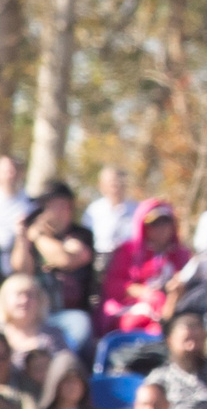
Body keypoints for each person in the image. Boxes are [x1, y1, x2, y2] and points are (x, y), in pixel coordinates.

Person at [10, 181, 96, 351]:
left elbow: (66, 260)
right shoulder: (31, 235)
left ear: (66, 206)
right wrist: (22, 237)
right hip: (34, 312)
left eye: (48, 204)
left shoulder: (81, 234)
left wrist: (38, 237)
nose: (42, 210)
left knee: (80, 324)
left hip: (70, 314)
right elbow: (20, 271)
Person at [99, 199, 187, 336]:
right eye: (154, 224)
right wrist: (144, 293)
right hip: (132, 309)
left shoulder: (181, 255)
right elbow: (112, 285)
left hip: (172, 309)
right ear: (143, 225)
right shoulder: (128, 251)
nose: (161, 228)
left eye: (166, 222)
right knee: (135, 324)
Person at [0, 273, 64, 392]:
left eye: (30, 295)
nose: (24, 300)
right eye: (18, 295)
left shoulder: (52, 335)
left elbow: (65, 370)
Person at [83, 165, 136, 253]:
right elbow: (86, 239)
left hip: (130, 259)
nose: (115, 187)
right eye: (111, 183)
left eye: (118, 182)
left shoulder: (136, 210)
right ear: (101, 185)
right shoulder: (93, 211)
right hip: (100, 259)